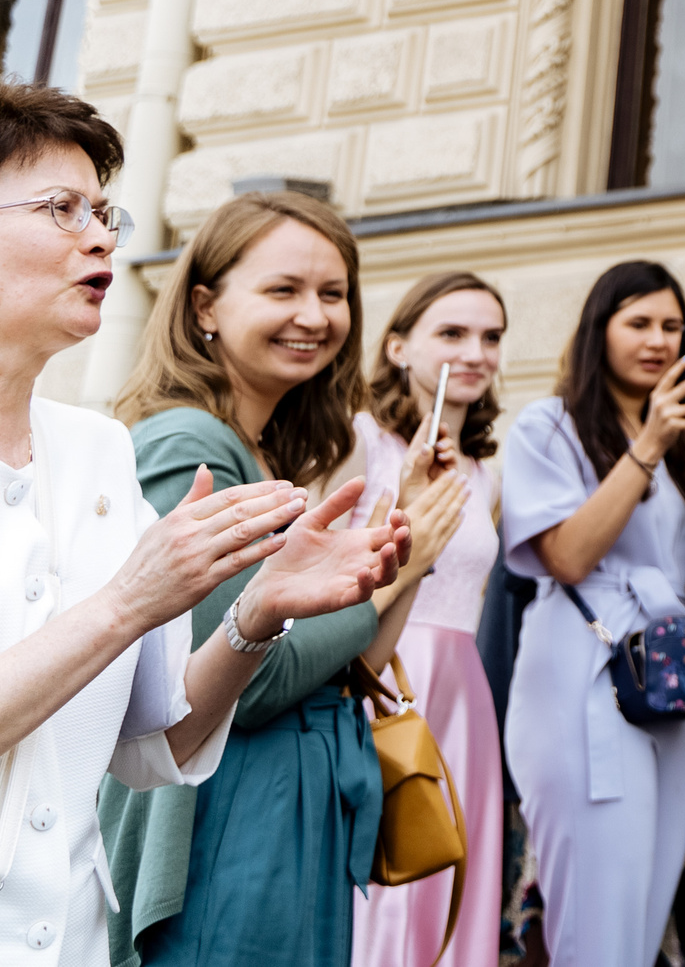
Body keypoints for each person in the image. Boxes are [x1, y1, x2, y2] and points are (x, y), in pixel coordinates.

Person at [0, 85, 404, 967]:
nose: (102, 237)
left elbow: (159, 745)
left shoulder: (99, 452)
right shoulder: (176, 440)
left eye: (104, 212)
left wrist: (256, 614)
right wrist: (128, 602)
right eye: (62, 208)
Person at [102, 192, 467, 967]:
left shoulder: (264, 451)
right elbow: (240, 681)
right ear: (205, 304)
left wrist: (406, 541)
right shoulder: (188, 443)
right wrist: (388, 572)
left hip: (295, 807)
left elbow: (349, 662)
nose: (314, 315)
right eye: (283, 289)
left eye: (333, 293)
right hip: (230, 818)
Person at [499, 263, 685, 967]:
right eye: (639, 323)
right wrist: (647, 444)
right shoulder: (548, 426)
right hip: (580, 673)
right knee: (597, 913)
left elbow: (684, 569)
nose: (658, 340)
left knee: (645, 909)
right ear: (601, 330)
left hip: (664, 680)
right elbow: (566, 555)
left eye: (672, 326)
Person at [347, 273, 509, 967]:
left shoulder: (485, 472)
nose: (475, 352)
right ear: (398, 347)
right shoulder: (363, 440)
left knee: (450, 860)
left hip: (463, 686)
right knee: (387, 858)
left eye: (491, 337)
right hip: (382, 670)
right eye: (452, 333)